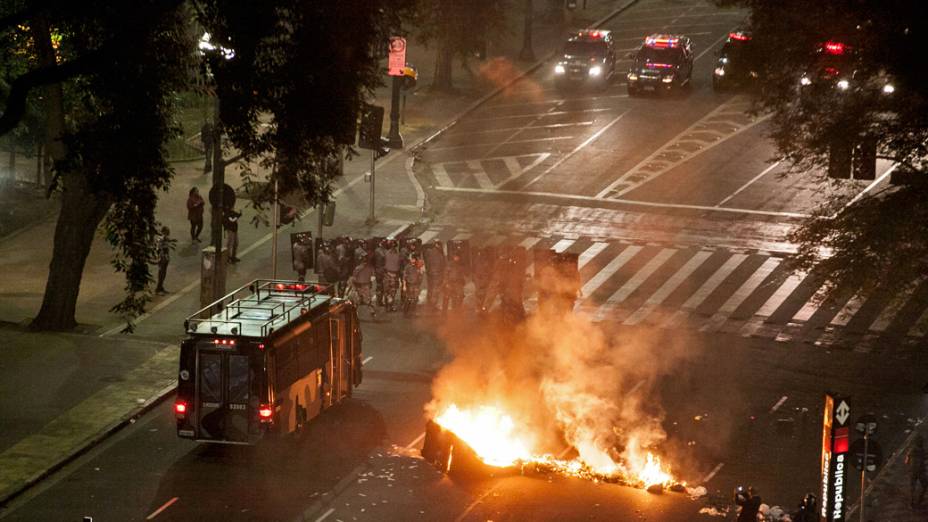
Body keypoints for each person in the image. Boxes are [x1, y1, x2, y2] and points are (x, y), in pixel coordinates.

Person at [349, 253, 377, 318]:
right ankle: (356, 313)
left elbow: (353, 278)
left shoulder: (360, 268)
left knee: (365, 301)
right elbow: (373, 279)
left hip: (363, 286)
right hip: (362, 286)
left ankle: (371, 312)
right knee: (360, 301)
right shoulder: (368, 268)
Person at [424, 239, 445, 311]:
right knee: (436, 290)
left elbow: (426, 261)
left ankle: (429, 302)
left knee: (431, 288)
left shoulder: (428, 252)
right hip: (437, 274)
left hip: (430, 273)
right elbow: (442, 264)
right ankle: (433, 305)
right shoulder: (439, 254)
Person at [907, 435, 928, 507]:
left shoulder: (911, 450)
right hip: (921, 471)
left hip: (912, 471)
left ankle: (911, 503)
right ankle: (919, 500)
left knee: (912, 487)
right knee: (925, 486)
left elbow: (906, 461)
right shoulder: (922, 450)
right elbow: (925, 458)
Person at [383, 239, 402, 312]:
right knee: (392, 291)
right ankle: (389, 305)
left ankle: (388, 305)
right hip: (394, 275)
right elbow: (400, 266)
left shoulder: (386, 253)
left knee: (387, 291)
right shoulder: (398, 255)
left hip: (387, 274)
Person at [154, 226, 173, 295]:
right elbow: (158, 249)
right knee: (161, 272)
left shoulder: (166, 239)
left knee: (164, 272)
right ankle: (158, 288)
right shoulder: (160, 239)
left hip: (165, 257)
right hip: (162, 257)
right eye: (167, 232)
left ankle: (161, 286)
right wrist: (160, 257)